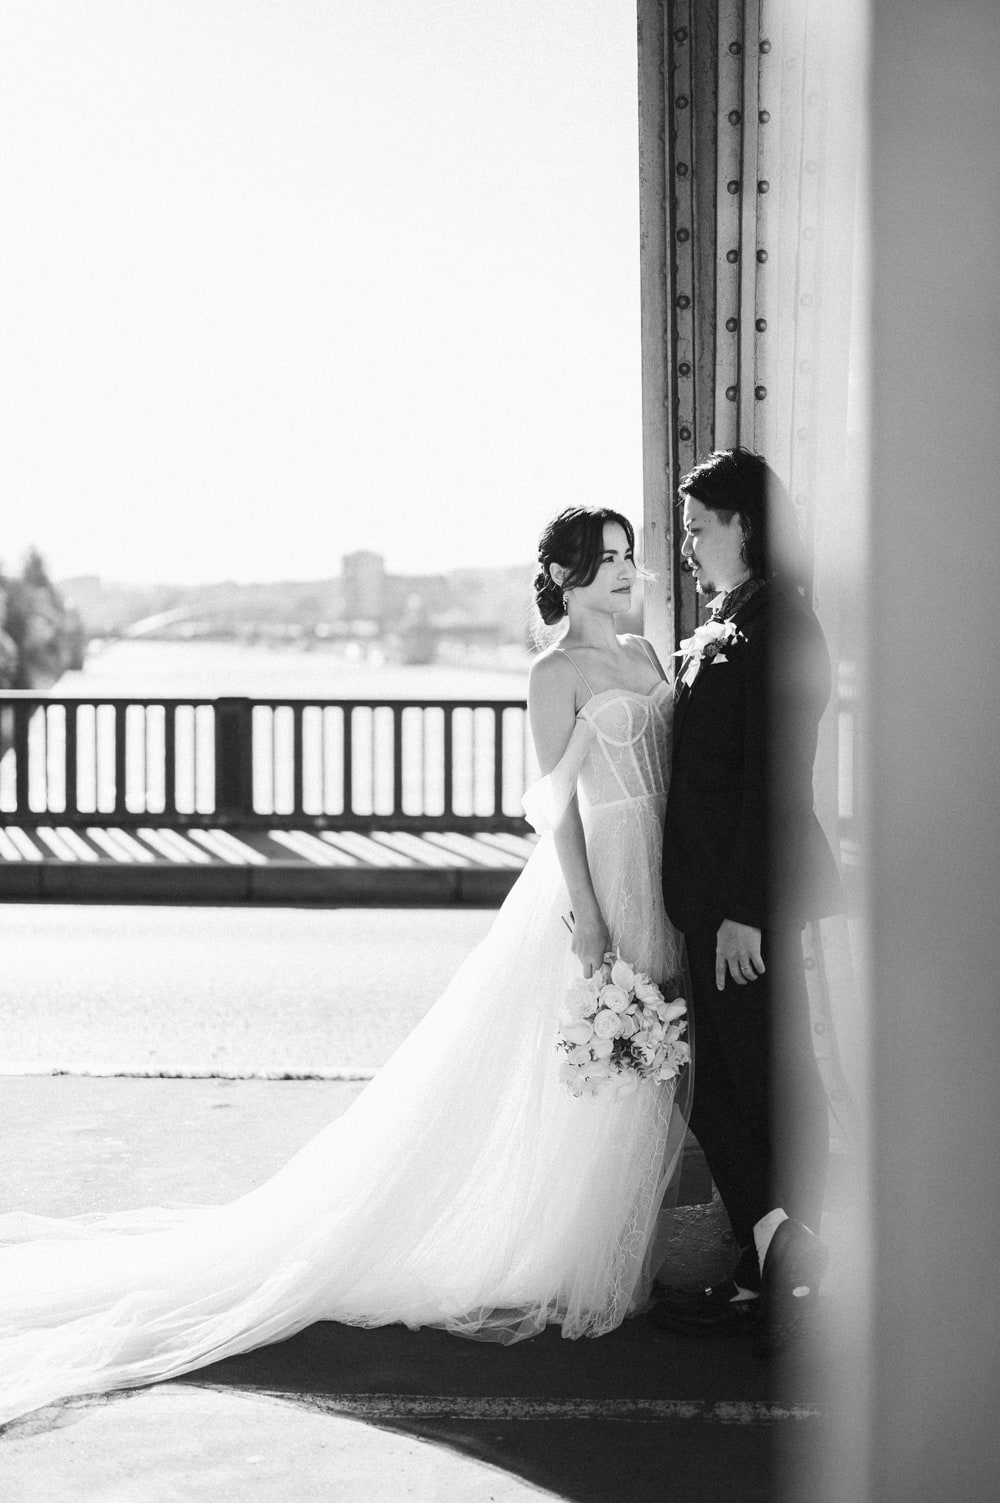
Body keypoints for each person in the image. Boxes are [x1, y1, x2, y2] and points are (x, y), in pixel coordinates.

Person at [0, 506, 690, 1427]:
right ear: (563, 580)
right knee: (598, 1063)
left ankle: (625, 1248)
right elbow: (554, 808)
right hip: (604, 869)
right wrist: (590, 914)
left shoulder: (648, 657)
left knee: (653, 1052)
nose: (622, 570)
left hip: (664, 868)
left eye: (627, 556)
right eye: (602, 561)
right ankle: (581, 1256)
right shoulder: (553, 672)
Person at [653, 449, 843, 1355]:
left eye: (699, 526)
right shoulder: (733, 618)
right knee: (715, 1077)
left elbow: (776, 780)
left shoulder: (783, 627)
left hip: (742, 907)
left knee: (757, 1079)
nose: (687, 546)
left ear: (746, 524)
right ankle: (774, 1251)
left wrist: (742, 909)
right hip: (709, 900)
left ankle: (790, 1261)